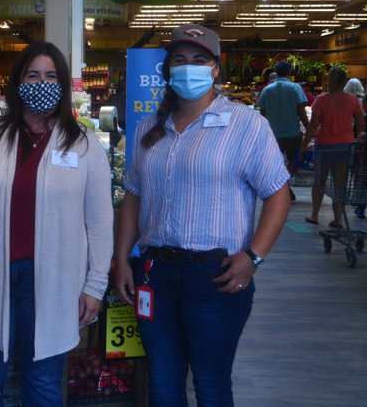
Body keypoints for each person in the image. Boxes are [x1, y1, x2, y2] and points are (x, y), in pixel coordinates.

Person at [114, 24, 291, 407]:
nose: (188, 67)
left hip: (216, 276)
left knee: (210, 384)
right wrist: (122, 260)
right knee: (162, 383)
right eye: (180, 60)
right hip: (154, 274)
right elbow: (133, 197)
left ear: (215, 68)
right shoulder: (149, 128)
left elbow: (278, 194)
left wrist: (254, 257)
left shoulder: (246, 125)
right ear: (167, 69)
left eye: (199, 60)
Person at [0, 41, 114, 407]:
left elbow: (100, 222)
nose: (42, 82)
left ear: (64, 84)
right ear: (18, 83)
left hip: (54, 283)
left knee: (44, 388)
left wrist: (95, 284)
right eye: (33, 75)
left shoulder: (84, 145)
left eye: (51, 76)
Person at [300, 67, 365, 228]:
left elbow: (313, 125)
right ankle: (339, 219)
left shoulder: (321, 99)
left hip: (324, 145)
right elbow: (361, 124)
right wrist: (360, 138)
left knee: (319, 182)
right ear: (344, 82)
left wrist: (304, 144)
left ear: (329, 81)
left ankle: (314, 215)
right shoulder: (353, 100)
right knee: (340, 183)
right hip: (345, 146)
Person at [256, 60, 309, 202]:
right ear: (290, 72)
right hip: (292, 132)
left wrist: (264, 129)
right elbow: (301, 109)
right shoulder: (295, 88)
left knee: (276, 162)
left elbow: (262, 111)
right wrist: (309, 127)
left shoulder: (268, 89)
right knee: (296, 160)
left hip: (273, 134)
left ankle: (280, 184)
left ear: (275, 72)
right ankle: (284, 182)